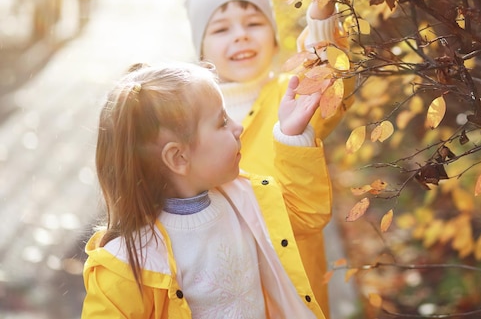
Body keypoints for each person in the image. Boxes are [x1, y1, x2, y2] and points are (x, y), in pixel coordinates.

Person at [81, 62, 331, 318]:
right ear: (178, 157)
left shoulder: (245, 200)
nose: (238, 127)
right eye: (222, 122)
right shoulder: (128, 263)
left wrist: (292, 135)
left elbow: (306, 214)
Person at [183, 0, 354, 316]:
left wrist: (322, 16)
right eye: (221, 29)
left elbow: (327, 79)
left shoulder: (289, 96)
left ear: (275, 37)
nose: (240, 35)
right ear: (201, 52)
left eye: (253, 23)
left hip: (292, 293)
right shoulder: (188, 117)